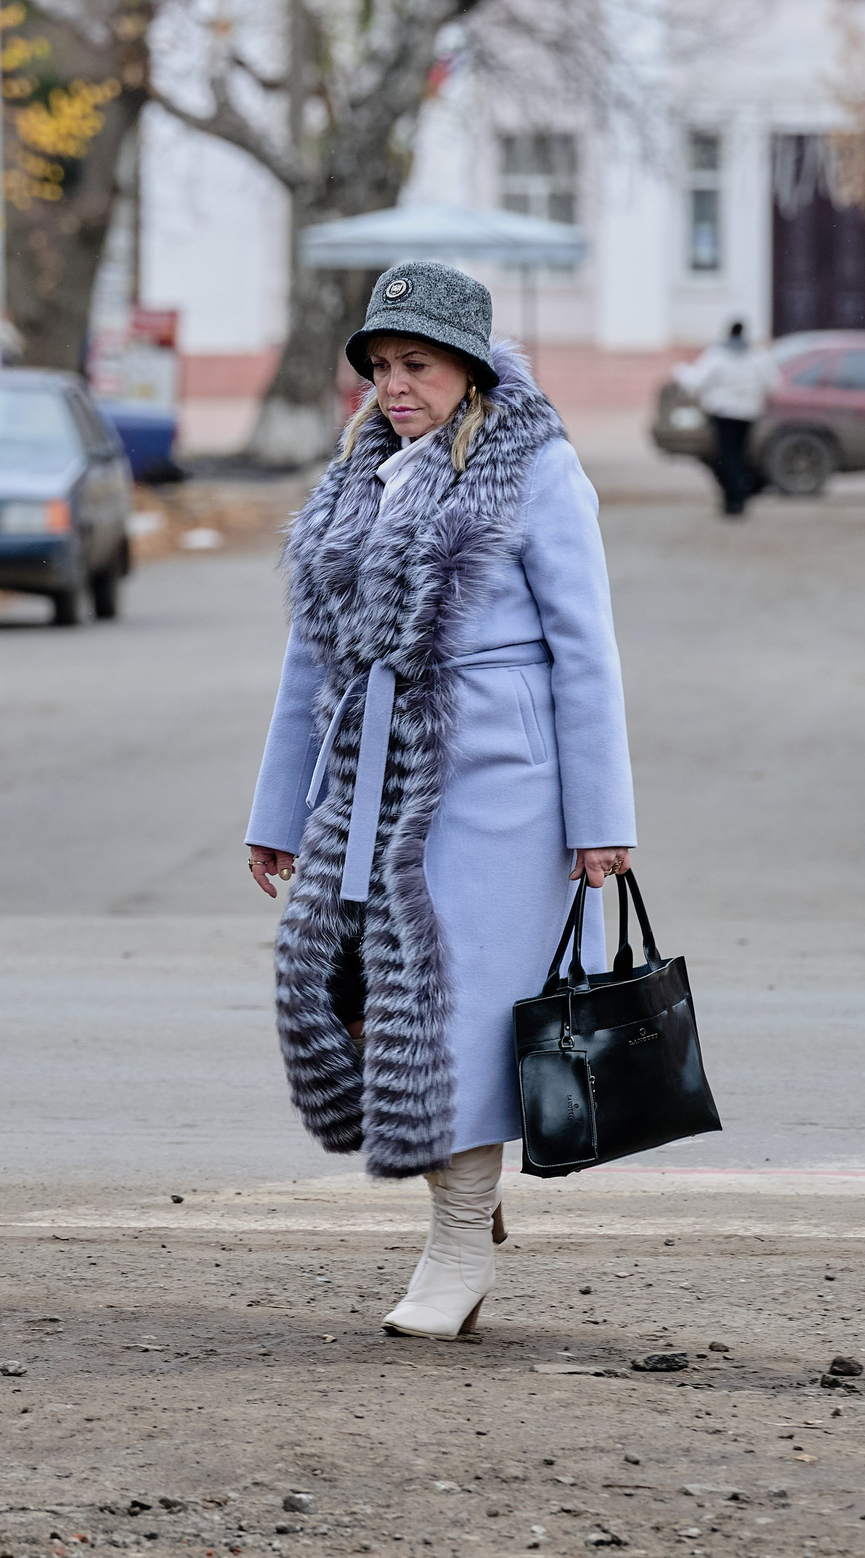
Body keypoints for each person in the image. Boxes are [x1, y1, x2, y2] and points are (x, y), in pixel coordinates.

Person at [244, 260, 638, 1341]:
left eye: (414, 365)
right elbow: (308, 662)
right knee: (364, 1011)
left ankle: (457, 1246)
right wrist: (280, 813)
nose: (393, 386)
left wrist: (602, 819)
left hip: (500, 788)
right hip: (370, 785)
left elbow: (585, 650)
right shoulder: (357, 479)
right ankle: (470, 1195)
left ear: (469, 367)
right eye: (378, 367)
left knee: (455, 1028)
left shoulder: (536, 471)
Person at [674, 319, 779, 517]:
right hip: (748, 414)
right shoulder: (757, 356)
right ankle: (739, 497)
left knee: (726, 457)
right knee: (740, 455)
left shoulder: (717, 355)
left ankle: (734, 499)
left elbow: (696, 381)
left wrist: (680, 372)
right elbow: (773, 384)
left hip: (723, 414)